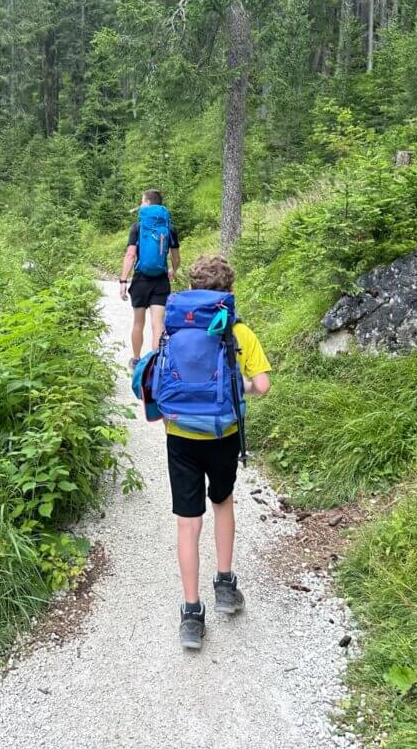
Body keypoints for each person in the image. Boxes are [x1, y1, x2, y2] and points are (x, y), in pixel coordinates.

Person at [158, 255, 271, 651]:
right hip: (223, 434)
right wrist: (241, 388)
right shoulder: (239, 331)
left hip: (181, 435)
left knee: (187, 523)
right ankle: (225, 584)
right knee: (222, 502)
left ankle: (191, 613)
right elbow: (263, 384)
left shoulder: (175, 327)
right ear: (229, 292)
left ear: (193, 288)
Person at [119, 189, 180, 370]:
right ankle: (157, 361)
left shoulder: (137, 227)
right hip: (161, 280)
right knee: (158, 323)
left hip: (140, 280)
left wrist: (123, 281)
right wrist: (173, 270)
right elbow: (176, 257)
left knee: (138, 322)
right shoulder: (169, 227)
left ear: (146, 202)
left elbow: (130, 255)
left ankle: (136, 359)